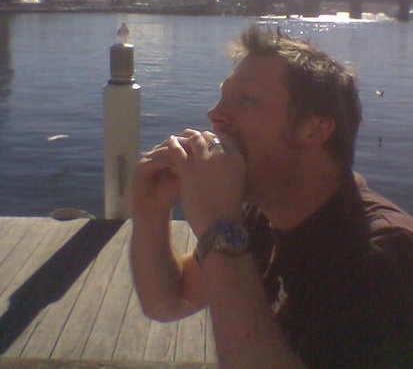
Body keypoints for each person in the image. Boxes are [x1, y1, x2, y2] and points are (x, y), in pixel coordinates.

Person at [131, 24, 413, 368]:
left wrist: (219, 226)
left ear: (314, 129)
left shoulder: (383, 257)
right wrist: (150, 210)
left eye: (246, 98)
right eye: (223, 96)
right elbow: (170, 300)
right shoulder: (263, 217)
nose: (215, 114)